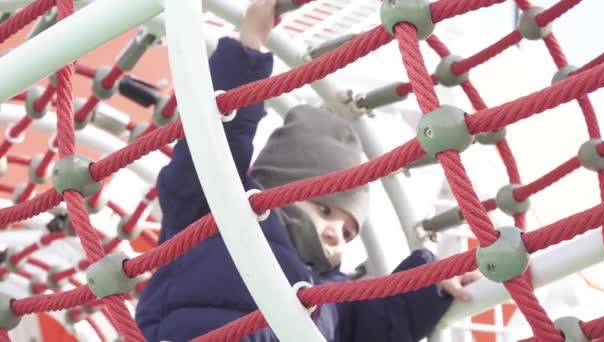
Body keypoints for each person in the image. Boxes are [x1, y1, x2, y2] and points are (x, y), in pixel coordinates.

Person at [135, 0, 479, 341]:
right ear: (278, 187)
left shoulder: (332, 295)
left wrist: (431, 283)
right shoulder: (215, 212)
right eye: (325, 210)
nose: (334, 234)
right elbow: (213, 142)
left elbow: (379, 324)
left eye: (348, 233)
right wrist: (248, 47)